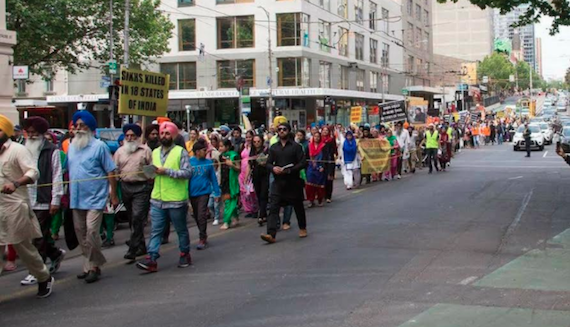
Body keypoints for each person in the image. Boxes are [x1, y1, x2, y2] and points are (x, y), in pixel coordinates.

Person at [0, 114, 54, 298]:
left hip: (15, 207)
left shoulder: (18, 150)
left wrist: (16, 183)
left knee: (23, 248)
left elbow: (33, 172)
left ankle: (43, 276)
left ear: (5, 132)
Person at [68, 111, 118, 283]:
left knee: (91, 232)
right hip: (76, 197)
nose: (79, 128)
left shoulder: (99, 146)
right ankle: (88, 264)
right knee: (80, 233)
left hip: (95, 198)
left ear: (90, 127)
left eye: (83, 125)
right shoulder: (71, 147)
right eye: (77, 125)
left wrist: (113, 194)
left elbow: (111, 171)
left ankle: (95, 266)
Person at [136, 122, 192, 272]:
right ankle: (152, 259)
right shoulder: (154, 152)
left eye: (167, 133)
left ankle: (184, 253)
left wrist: (167, 171)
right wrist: (149, 173)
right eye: (162, 133)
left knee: (181, 229)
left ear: (173, 135)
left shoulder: (181, 152)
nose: (163, 136)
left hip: (176, 200)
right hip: (157, 199)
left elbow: (187, 173)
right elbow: (154, 172)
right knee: (156, 231)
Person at [20, 117, 66, 286]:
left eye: (34, 133)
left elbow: (57, 176)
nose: (31, 136)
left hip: (43, 200)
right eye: (29, 132)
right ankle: (54, 254)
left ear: (42, 133)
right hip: (24, 199)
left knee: (37, 236)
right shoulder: (21, 149)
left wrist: (56, 200)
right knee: (38, 235)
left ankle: (37, 271)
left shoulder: (51, 151)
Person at [260, 122, 307, 244]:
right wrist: (273, 168)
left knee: (298, 206)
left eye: (284, 129)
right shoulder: (274, 147)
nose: (281, 131)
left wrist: (290, 170)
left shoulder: (296, 147)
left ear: (289, 131)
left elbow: (302, 163)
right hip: (278, 182)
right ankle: (271, 234)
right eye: (279, 129)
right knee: (274, 207)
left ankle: (302, 227)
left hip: (293, 181)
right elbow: (269, 163)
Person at [114, 124, 152, 261]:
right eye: (127, 136)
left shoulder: (145, 151)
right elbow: (115, 170)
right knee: (132, 219)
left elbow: (151, 169)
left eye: (133, 136)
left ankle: (133, 248)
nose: (130, 138)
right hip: (125, 187)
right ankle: (141, 245)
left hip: (141, 187)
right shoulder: (119, 152)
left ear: (138, 137)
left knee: (137, 217)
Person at [189, 140, 221, 250]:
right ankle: (203, 233)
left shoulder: (208, 163)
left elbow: (213, 179)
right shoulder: (189, 162)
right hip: (192, 193)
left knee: (201, 215)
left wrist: (217, 193)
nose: (205, 152)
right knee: (196, 215)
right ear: (197, 152)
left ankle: (202, 237)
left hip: (204, 192)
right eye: (203, 150)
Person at [219, 139, 241, 230]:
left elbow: (239, 168)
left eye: (222, 146)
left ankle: (226, 221)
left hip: (232, 182)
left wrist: (231, 165)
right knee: (227, 201)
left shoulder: (234, 155)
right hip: (224, 181)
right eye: (219, 146)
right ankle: (235, 217)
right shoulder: (221, 156)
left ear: (227, 147)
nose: (220, 148)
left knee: (229, 202)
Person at [250, 135, 270, 226]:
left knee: (263, 194)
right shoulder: (252, 151)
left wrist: (262, 160)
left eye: (258, 141)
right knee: (258, 194)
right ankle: (264, 213)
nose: (257, 143)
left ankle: (261, 215)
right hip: (255, 175)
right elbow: (249, 164)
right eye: (254, 142)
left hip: (264, 175)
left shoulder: (266, 150)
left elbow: (267, 161)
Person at [239, 130, 257, 218]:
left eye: (250, 137)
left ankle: (255, 209)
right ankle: (248, 209)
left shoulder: (255, 148)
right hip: (242, 171)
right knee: (244, 192)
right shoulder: (243, 146)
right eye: (247, 137)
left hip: (250, 170)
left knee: (252, 191)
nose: (248, 139)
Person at [306, 132, 327, 207]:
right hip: (311, 167)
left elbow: (325, 158)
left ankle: (320, 200)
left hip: (320, 167)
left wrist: (322, 167)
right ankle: (310, 200)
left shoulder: (323, 146)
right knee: (309, 185)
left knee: (319, 185)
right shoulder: (309, 146)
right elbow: (306, 157)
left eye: (318, 136)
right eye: (315, 136)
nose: (316, 138)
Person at [207, 134, 222, 226]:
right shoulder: (210, 172)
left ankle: (216, 217)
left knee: (216, 204)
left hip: (217, 188)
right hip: (210, 189)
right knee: (210, 205)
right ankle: (215, 214)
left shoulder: (218, 172)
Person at [321, 126, 336, 203]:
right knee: (322, 178)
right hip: (322, 161)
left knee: (329, 178)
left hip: (330, 161)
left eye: (326, 130)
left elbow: (334, 150)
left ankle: (328, 196)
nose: (325, 132)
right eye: (324, 130)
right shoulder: (320, 140)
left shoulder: (331, 140)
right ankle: (323, 195)